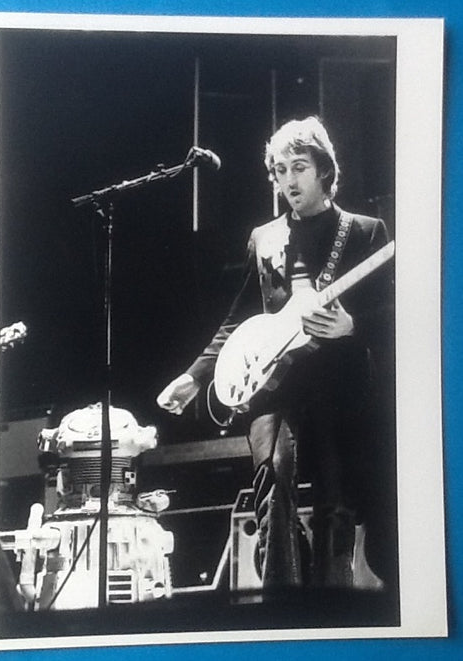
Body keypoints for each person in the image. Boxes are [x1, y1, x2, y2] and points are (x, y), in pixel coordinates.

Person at [157, 116, 395, 591]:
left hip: (338, 388)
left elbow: (397, 315)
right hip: (273, 387)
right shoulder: (263, 238)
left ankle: (332, 608)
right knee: (272, 483)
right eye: (281, 169)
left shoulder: (366, 231)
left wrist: (353, 326)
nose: (289, 179)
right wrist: (195, 376)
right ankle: (282, 599)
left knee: (335, 504)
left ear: (324, 170)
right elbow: (238, 318)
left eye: (299, 167)